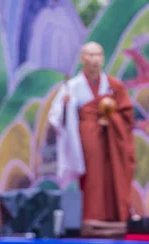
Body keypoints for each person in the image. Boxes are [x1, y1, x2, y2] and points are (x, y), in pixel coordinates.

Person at [49, 41, 135, 224]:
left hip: (111, 136)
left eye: (98, 55)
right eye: (91, 55)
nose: (95, 60)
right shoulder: (72, 86)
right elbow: (56, 118)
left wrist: (111, 119)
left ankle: (115, 217)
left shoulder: (114, 85)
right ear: (82, 59)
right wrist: (66, 106)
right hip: (87, 136)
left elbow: (127, 115)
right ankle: (91, 218)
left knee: (114, 174)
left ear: (103, 58)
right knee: (92, 176)